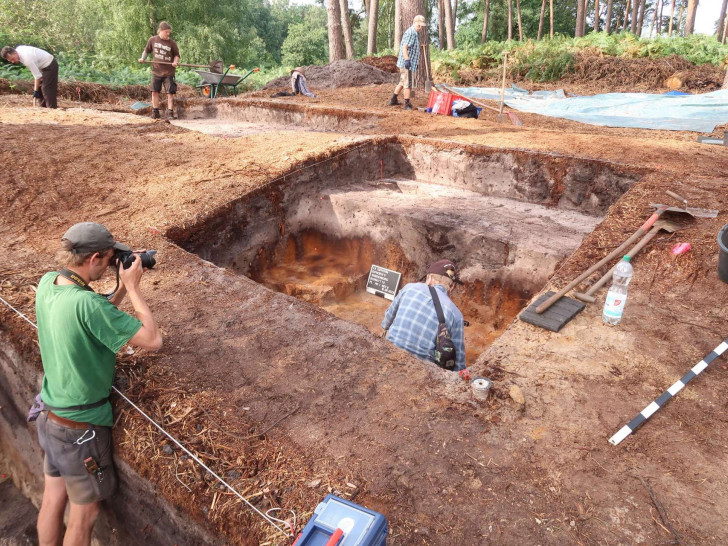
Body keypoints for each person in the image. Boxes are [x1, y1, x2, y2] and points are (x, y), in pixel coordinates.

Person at [34, 222, 162, 545]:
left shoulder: (49, 283)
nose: (109, 265)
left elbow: (92, 316)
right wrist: (132, 289)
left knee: (52, 500)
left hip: (50, 418)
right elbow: (153, 339)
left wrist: (118, 286)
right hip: (81, 432)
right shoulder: (86, 304)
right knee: (85, 516)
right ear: (92, 259)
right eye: (107, 259)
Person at [381, 259, 466, 371]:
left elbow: (387, 320)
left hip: (390, 351)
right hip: (423, 370)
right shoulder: (456, 315)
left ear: (429, 278)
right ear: (452, 287)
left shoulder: (409, 288)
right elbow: (459, 363)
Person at [139, 21, 180, 120]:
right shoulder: (153, 40)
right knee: (154, 92)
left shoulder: (172, 43)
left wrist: (175, 62)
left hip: (168, 72)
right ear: (160, 31)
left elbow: (176, 55)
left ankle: (170, 112)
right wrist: (142, 58)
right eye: (166, 32)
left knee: (170, 93)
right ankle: (155, 112)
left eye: (169, 32)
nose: (168, 34)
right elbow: (146, 51)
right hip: (156, 71)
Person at [389, 15, 427, 111]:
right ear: (415, 23)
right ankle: (407, 104)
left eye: (422, 26)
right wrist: (407, 60)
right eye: (419, 26)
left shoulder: (414, 33)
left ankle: (393, 99)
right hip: (406, 63)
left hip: (409, 62)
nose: (421, 28)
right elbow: (404, 47)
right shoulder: (411, 33)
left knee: (402, 82)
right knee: (408, 83)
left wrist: (414, 62)